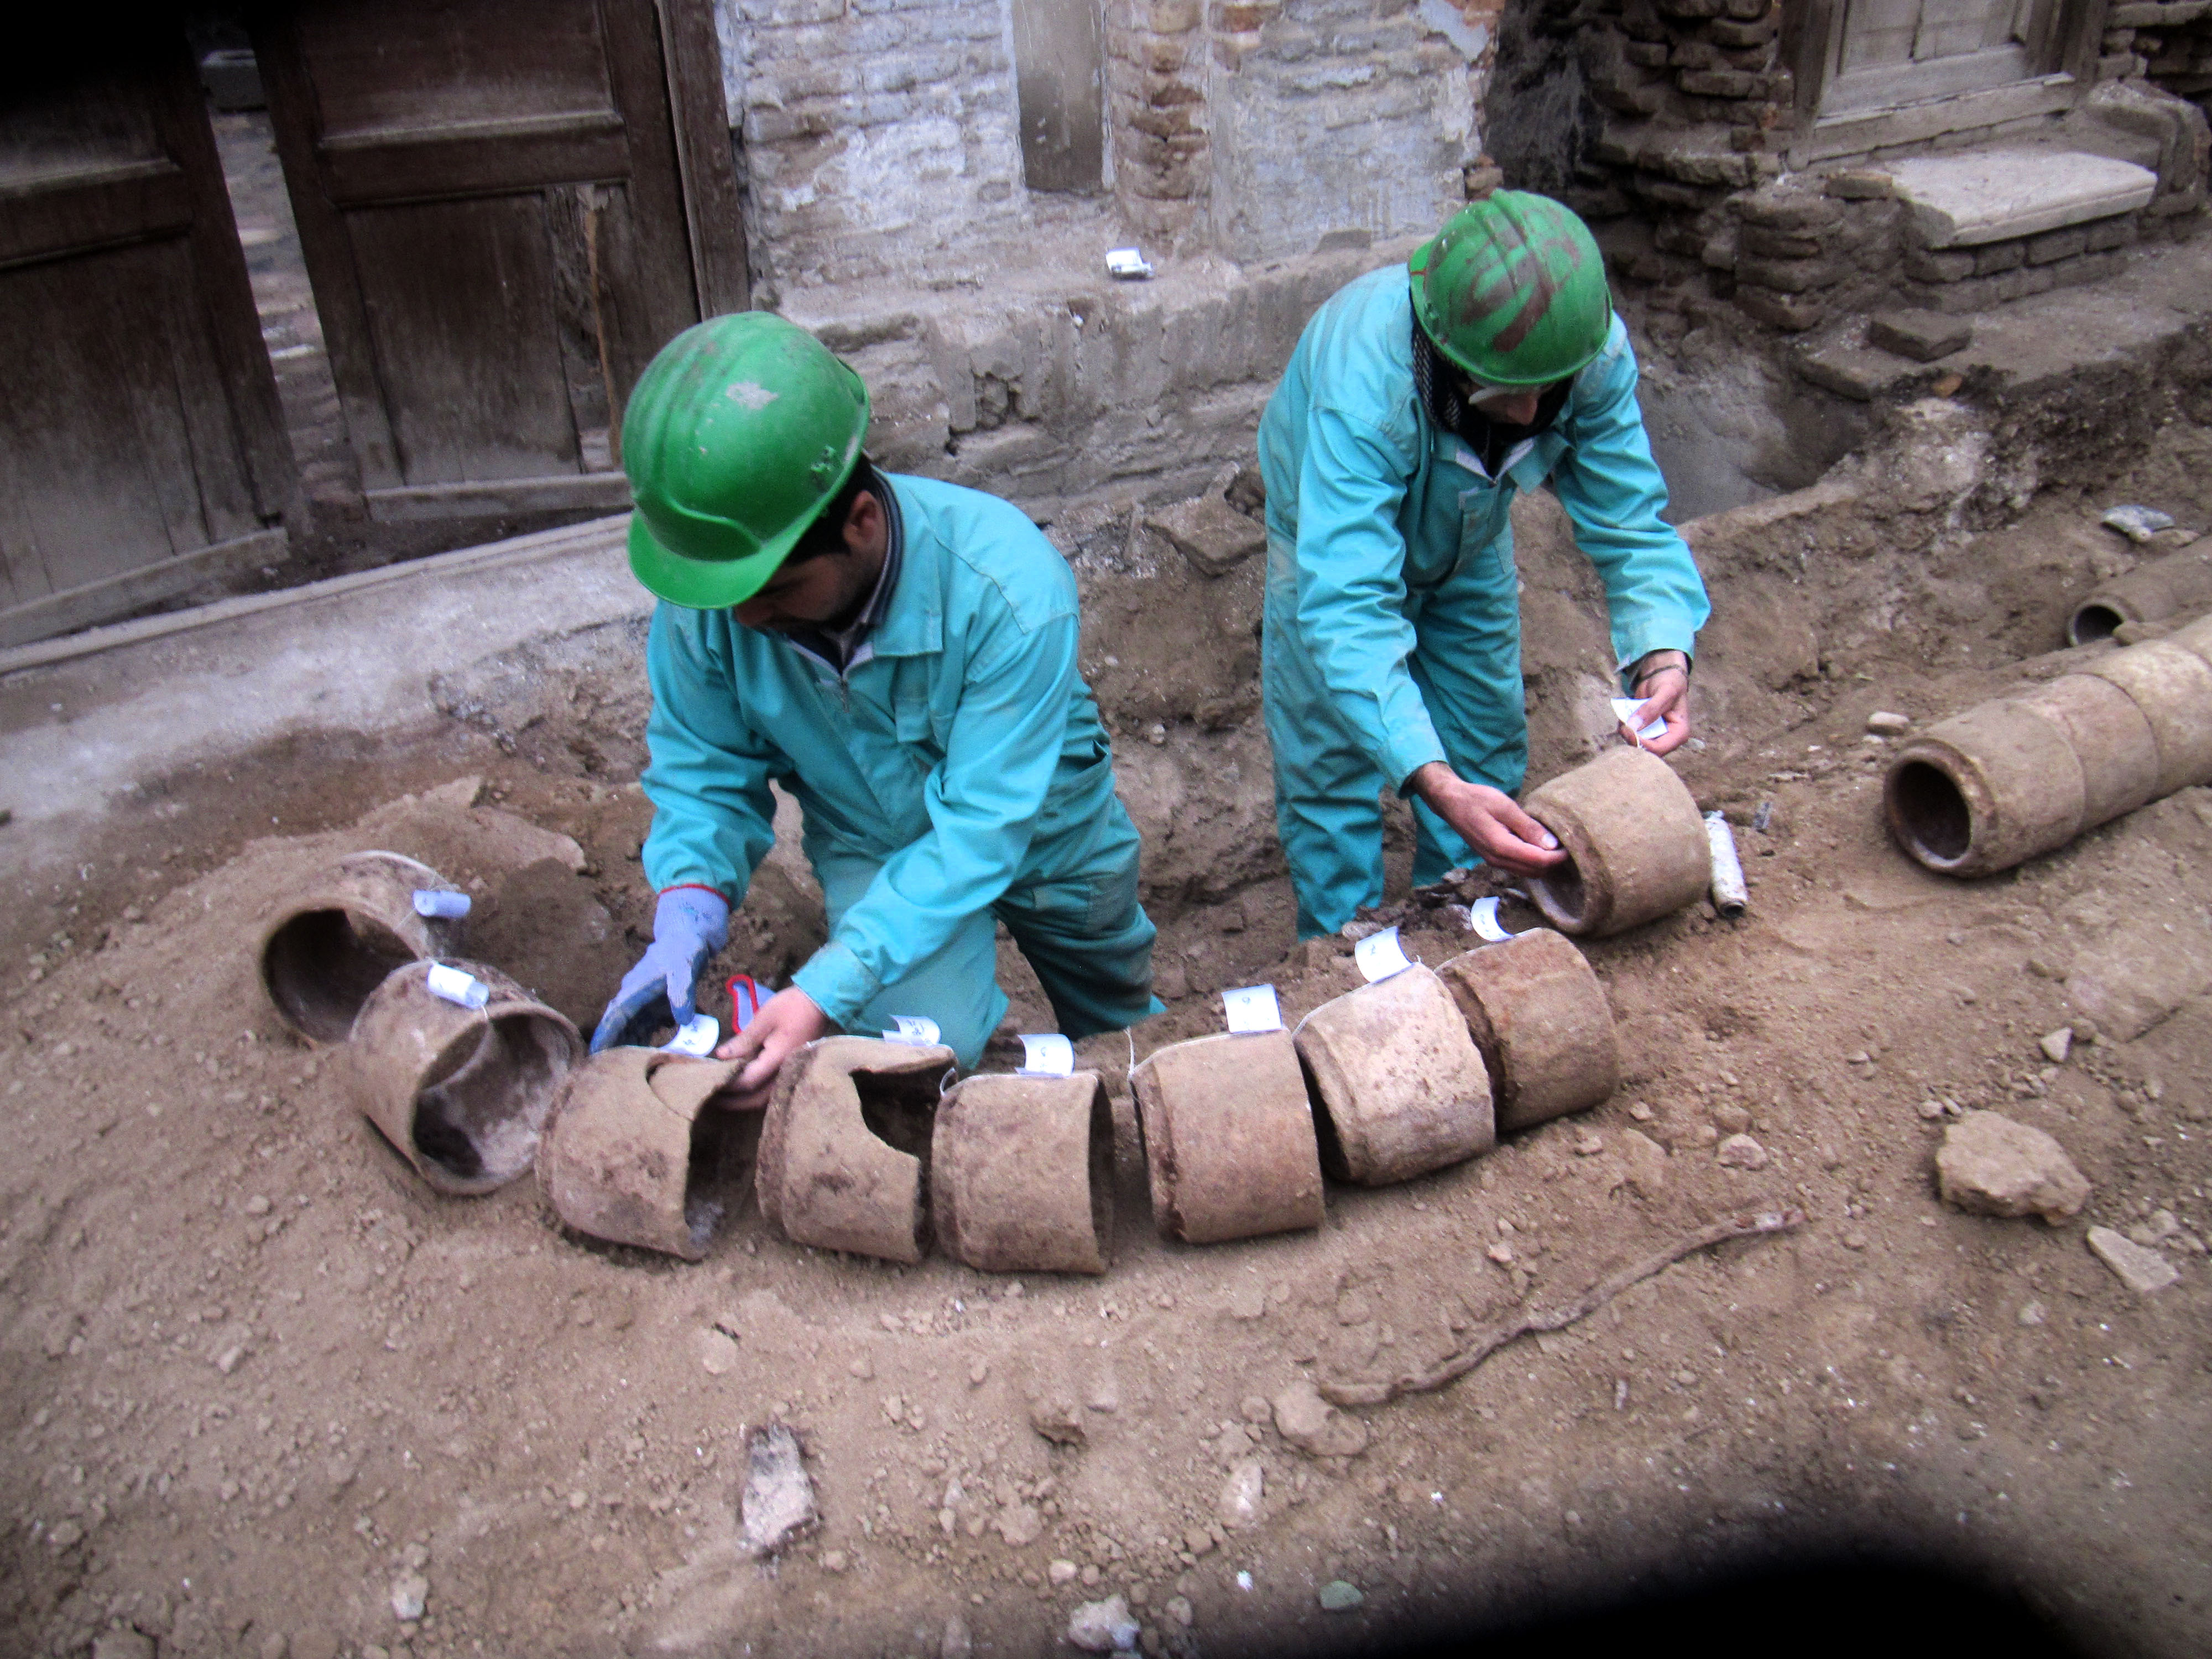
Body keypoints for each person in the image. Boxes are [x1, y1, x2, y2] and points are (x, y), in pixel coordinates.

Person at [591, 311, 1160, 1104]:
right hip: (872, 837)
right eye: (731, 597)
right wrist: (689, 901)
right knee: (920, 1050)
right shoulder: (711, 606)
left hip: (1042, 822)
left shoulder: (1007, 589)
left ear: (859, 524)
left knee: (1119, 1025)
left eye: (775, 591)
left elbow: (983, 827)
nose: (747, 620)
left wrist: (827, 980)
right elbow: (704, 770)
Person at [1256, 185, 1712, 937]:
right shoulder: (1365, 390)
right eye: (1506, 395)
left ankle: (1459, 919)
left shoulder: (1588, 352)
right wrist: (1432, 784)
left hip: (1471, 529)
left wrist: (1663, 649)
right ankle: (1348, 950)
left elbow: (1630, 519)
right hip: (1325, 538)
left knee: (1484, 736)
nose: (1532, 416)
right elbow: (1348, 611)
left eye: (1547, 392)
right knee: (1331, 763)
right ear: (1443, 356)